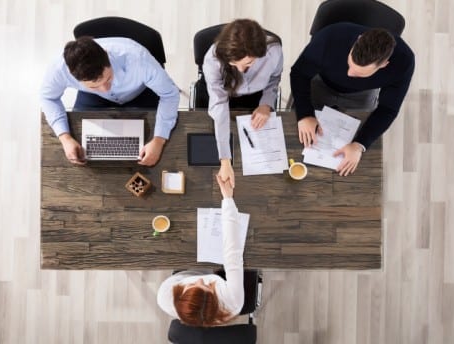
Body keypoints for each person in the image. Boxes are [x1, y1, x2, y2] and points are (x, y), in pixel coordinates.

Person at [290, 22, 415, 176]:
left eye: (358, 74)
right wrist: (305, 114)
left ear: (383, 64)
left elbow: (388, 108)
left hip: (361, 94)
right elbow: (299, 74)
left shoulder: (404, 62)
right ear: (358, 40)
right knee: (296, 136)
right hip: (321, 83)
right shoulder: (329, 37)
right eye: (349, 64)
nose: (349, 74)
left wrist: (359, 144)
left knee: (360, 146)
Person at [40, 36, 180, 166]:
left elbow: (170, 94)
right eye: (95, 85)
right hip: (93, 98)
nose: (105, 89)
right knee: (84, 149)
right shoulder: (59, 69)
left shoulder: (138, 58)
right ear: (72, 76)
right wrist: (65, 138)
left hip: (140, 93)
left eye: (108, 78)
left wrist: (159, 140)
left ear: (106, 54)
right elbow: (48, 97)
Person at [203, 19, 283, 187]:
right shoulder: (213, 60)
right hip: (226, 96)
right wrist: (225, 160)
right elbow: (219, 106)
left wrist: (266, 104)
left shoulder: (273, 51)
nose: (240, 70)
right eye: (234, 63)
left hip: (258, 97)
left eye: (248, 63)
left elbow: (274, 78)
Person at [157, 174, 244, 327]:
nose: (200, 280)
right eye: (207, 286)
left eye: (192, 286)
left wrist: (192, 282)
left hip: (182, 276)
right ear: (215, 300)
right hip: (210, 267)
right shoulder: (233, 303)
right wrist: (228, 199)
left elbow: (196, 279)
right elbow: (233, 253)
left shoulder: (165, 297)